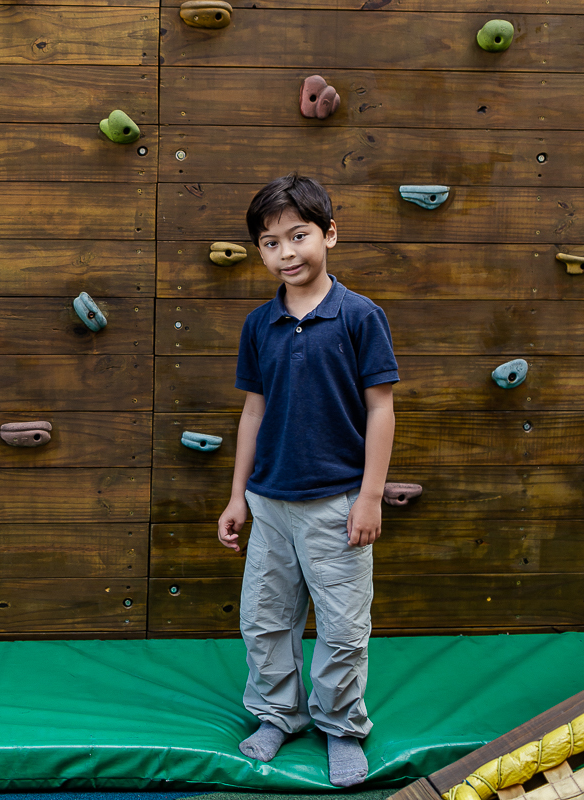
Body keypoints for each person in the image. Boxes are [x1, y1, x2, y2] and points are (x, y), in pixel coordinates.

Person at [215, 174, 397, 786]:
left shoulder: (360, 317)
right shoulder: (258, 325)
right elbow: (252, 413)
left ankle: (341, 726)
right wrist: (237, 495)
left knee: (343, 627)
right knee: (265, 619)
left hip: (338, 504)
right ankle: (276, 714)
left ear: (330, 234)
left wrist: (370, 496)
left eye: (299, 236)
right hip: (268, 503)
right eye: (270, 243)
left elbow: (381, 408)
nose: (286, 253)